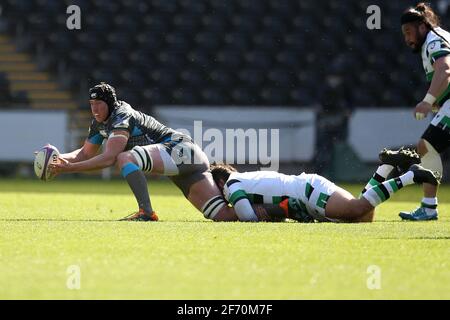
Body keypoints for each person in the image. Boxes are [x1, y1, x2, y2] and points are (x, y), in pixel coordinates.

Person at [49, 82, 281, 222]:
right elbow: (85, 153)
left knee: (125, 157)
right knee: (223, 216)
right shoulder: (100, 123)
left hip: (180, 148)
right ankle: (283, 208)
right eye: (91, 105)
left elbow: (109, 158)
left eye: (98, 104)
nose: (94, 109)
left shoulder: (121, 116)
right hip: (181, 167)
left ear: (110, 103)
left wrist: (68, 169)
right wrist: (58, 160)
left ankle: (146, 212)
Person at [210, 157, 440, 223]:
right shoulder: (243, 178)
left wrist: (263, 212)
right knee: (363, 216)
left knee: (357, 209)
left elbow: (247, 217)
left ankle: (411, 175)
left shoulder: (231, 184)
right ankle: (385, 167)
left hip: (306, 192)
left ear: (219, 183)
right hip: (306, 187)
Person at [399, 2, 450, 220]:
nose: (407, 39)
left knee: (426, 146)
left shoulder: (433, 41)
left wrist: (428, 101)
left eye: (409, 32)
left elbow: (445, 69)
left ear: (422, 26)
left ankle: (429, 207)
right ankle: (429, 207)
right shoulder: (441, 36)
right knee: (428, 146)